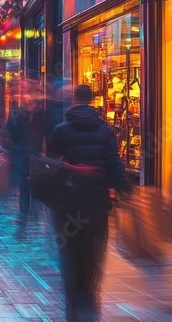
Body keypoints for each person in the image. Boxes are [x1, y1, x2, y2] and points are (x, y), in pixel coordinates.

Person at [46, 84, 130, 321]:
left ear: (74, 100)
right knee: (94, 250)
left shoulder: (61, 130)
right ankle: (88, 295)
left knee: (71, 250)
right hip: (96, 203)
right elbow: (114, 164)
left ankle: (73, 298)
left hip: (68, 204)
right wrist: (123, 188)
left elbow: (50, 165)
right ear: (92, 101)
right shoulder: (105, 131)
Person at [4, 96, 50, 224]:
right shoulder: (17, 115)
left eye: (32, 101)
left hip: (37, 156)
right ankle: (24, 213)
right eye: (28, 101)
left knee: (35, 184)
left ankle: (34, 214)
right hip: (22, 156)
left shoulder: (42, 117)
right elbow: (8, 134)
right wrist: (13, 150)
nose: (30, 103)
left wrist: (45, 152)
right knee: (24, 184)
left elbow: (48, 135)